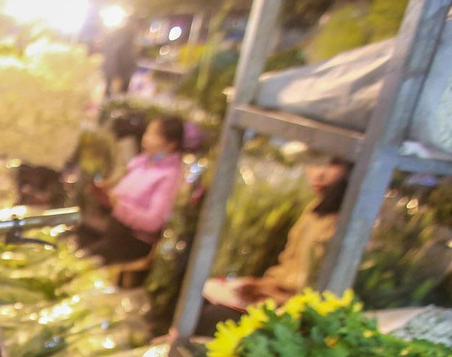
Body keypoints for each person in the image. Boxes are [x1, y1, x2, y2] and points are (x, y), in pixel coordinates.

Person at [197, 157, 351, 334]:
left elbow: (316, 289)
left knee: (211, 319)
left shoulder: (347, 223)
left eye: (333, 165)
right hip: (282, 296)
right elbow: (288, 264)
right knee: (201, 300)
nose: (319, 174)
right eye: (315, 163)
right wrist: (261, 285)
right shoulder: (314, 210)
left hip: (303, 311)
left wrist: (273, 295)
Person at [76, 114, 185, 264]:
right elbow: (118, 197)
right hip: (110, 228)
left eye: (154, 135)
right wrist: (105, 195)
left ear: (171, 144)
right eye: (147, 132)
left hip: (131, 241)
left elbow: (154, 222)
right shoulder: (140, 163)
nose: (146, 138)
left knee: (81, 259)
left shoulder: (170, 176)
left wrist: (116, 204)